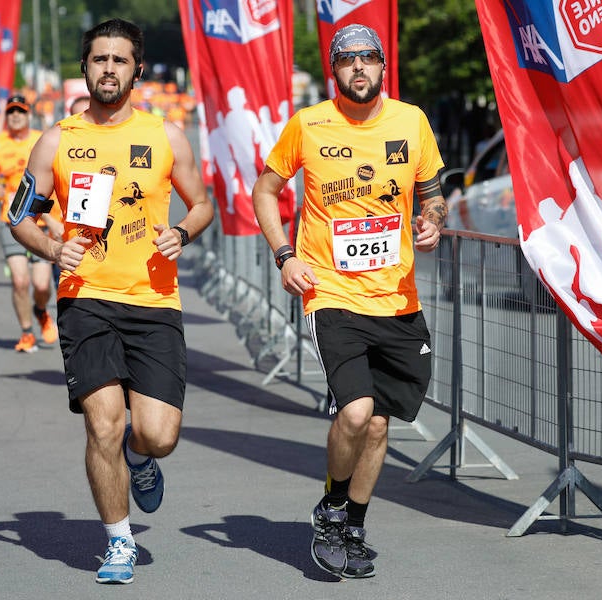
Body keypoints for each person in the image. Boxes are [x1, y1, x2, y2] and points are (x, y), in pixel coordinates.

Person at [10, 18, 213, 585]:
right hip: (87, 300)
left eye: (119, 60)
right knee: (102, 425)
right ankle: (118, 543)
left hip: (153, 299)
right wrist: (52, 247)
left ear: (137, 70)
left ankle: (141, 457)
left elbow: (202, 204)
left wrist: (184, 233)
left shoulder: (166, 135)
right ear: (85, 68)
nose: (108, 69)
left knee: (158, 434)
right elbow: (18, 215)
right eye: (99, 59)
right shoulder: (57, 140)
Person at [252, 24, 447, 579]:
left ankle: (354, 526)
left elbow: (432, 193)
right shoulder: (308, 124)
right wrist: (284, 254)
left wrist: (431, 222)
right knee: (356, 411)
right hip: (332, 294)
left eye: (368, 59)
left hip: (398, 297)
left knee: (380, 426)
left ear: (384, 66)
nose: (358, 68)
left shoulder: (411, 121)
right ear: (333, 70)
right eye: (346, 60)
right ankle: (332, 508)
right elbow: (265, 190)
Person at [0, 95, 60, 353]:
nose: (15, 116)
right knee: (20, 281)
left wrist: (50, 218)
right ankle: (26, 333)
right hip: (10, 220)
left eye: (20, 112)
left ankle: (40, 310)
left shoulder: (42, 139)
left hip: (40, 220)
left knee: (42, 284)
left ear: (28, 116)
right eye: (11, 112)